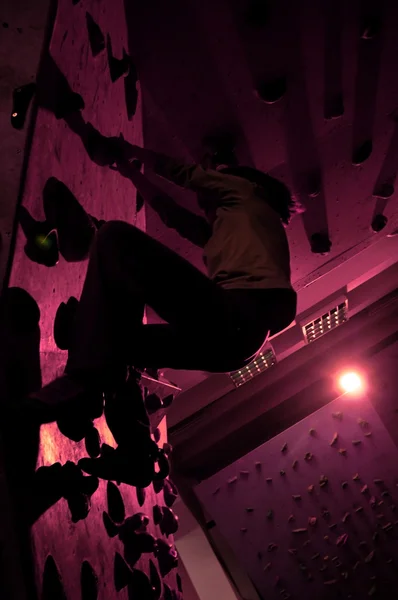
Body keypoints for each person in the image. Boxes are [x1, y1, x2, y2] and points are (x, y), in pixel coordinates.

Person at [30, 141, 299, 421]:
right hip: (233, 348)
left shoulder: (247, 191)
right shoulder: (227, 230)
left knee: (115, 238)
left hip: (238, 320)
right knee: (121, 344)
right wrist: (129, 171)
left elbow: (186, 174)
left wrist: (132, 151)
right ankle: (85, 397)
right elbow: (172, 216)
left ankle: (82, 383)